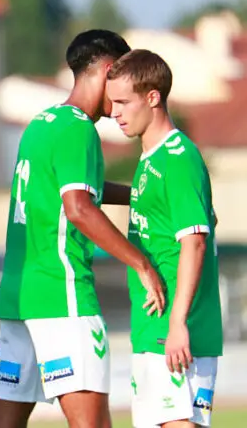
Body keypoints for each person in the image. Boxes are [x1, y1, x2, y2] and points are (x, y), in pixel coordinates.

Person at [0, 29, 167, 428]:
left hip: (19, 299)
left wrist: (140, 194)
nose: (123, 93)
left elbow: (82, 192)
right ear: (106, 70)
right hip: (63, 296)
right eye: (121, 80)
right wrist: (141, 264)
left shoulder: (41, 124)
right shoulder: (79, 129)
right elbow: (80, 208)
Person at [106, 49, 222, 428]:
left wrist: (177, 323)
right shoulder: (150, 159)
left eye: (123, 102)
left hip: (172, 329)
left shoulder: (178, 157)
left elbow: (196, 241)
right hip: (154, 326)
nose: (115, 112)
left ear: (153, 97)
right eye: (112, 102)